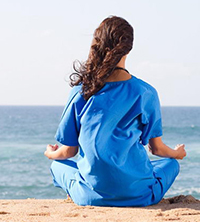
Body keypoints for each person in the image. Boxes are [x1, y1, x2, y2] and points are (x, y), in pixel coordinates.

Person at [44, 16, 186, 207]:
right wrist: (177, 153)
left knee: (57, 165)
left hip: (91, 197)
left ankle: (76, 192)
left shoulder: (81, 92)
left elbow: (68, 151)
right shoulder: (145, 92)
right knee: (171, 164)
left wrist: (51, 153)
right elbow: (157, 149)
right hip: (139, 196)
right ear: (129, 48)